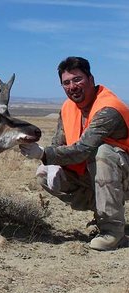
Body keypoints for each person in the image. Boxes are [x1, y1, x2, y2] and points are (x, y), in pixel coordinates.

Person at [20, 56, 129, 251]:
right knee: (44, 173)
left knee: (103, 153)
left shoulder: (108, 108)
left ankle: (113, 232)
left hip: (123, 174)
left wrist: (43, 153)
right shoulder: (68, 107)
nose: (72, 86)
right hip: (96, 176)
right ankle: (102, 213)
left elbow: (82, 150)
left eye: (77, 79)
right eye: (66, 83)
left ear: (91, 79)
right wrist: (50, 163)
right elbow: (58, 142)